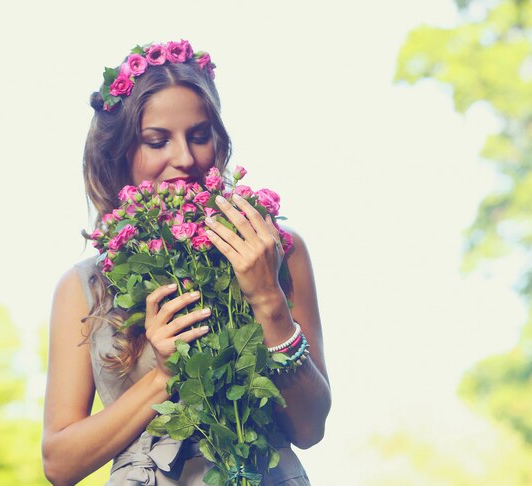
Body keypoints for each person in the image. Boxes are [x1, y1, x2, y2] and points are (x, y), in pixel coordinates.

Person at [42, 40, 331, 486]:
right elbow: (59, 465)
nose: (185, 159)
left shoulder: (277, 250)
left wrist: (268, 300)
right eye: (157, 141)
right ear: (120, 152)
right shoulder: (84, 285)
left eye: (199, 136)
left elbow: (310, 429)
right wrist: (163, 376)